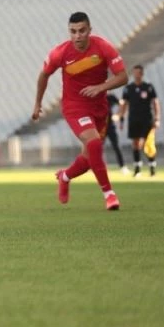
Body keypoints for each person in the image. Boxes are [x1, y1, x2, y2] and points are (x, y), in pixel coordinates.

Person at [32, 12, 127, 211]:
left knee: (90, 157)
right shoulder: (60, 53)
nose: (77, 36)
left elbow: (123, 76)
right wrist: (38, 104)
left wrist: (101, 87)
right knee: (94, 143)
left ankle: (65, 177)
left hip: (99, 108)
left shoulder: (103, 47)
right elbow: (44, 75)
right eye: (73, 31)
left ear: (89, 30)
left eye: (82, 31)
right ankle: (109, 194)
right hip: (74, 107)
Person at [119, 65, 160, 177]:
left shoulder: (148, 87)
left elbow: (155, 103)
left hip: (147, 119)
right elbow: (124, 104)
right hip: (133, 119)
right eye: (134, 73)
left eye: (138, 73)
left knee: (148, 143)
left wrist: (157, 118)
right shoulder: (128, 88)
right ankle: (137, 168)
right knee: (135, 143)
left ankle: (152, 168)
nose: (136, 75)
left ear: (142, 74)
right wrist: (121, 118)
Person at [105, 93, 129, 174]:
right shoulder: (95, 96)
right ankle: (96, 166)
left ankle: (122, 166)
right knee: (96, 147)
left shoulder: (110, 96)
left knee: (116, 146)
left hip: (110, 126)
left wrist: (118, 115)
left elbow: (122, 104)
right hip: (99, 126)